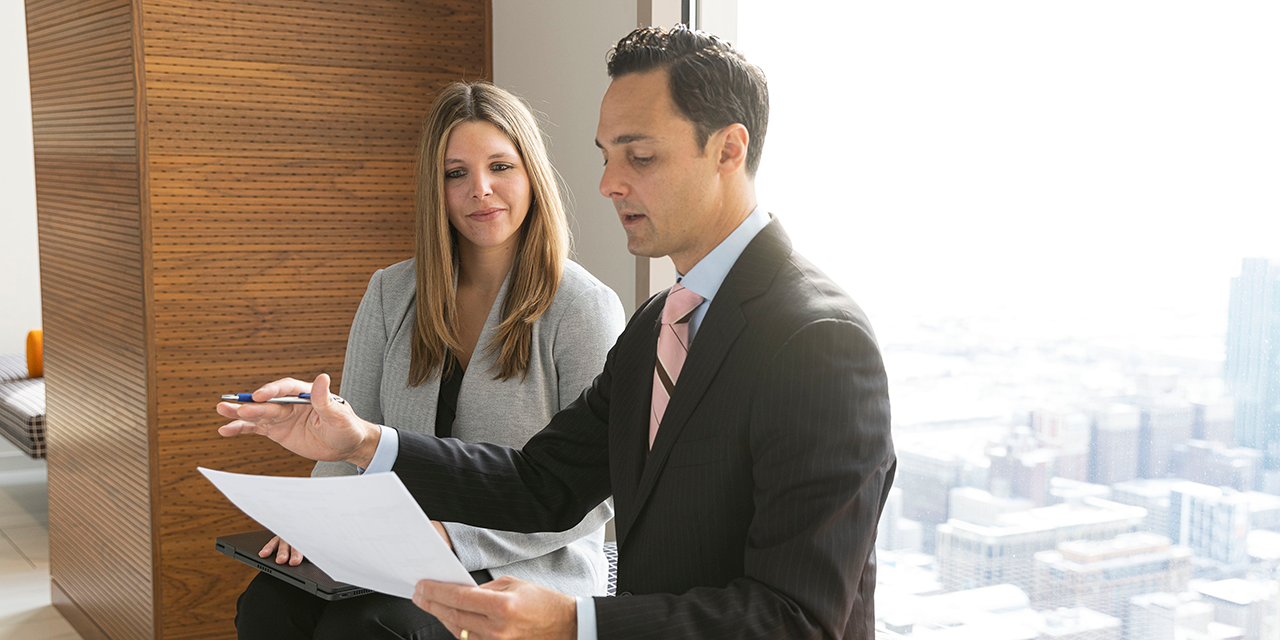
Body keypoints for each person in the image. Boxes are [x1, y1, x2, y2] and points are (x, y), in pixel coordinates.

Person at [219, 25, 895, 640]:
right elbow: (542, 482)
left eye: (639, 156)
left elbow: (796, 621)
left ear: (728, 149)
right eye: (605, 155)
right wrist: (361, 440)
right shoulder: (659, 324)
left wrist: (577, 622)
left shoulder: (819, 341)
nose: (607, 182)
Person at [231, 81, 625, 640]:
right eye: (455, 173)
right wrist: (315, 521)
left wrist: (453, 538)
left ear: (531, 174)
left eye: (500, 167)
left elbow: (592, 497)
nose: (480, 191)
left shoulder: (585, 307)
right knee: (268, 606)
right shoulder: (392, 292)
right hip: (391, 550)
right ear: (434, 188)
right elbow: (348, 434)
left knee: (370, 628)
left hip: (525, 563)